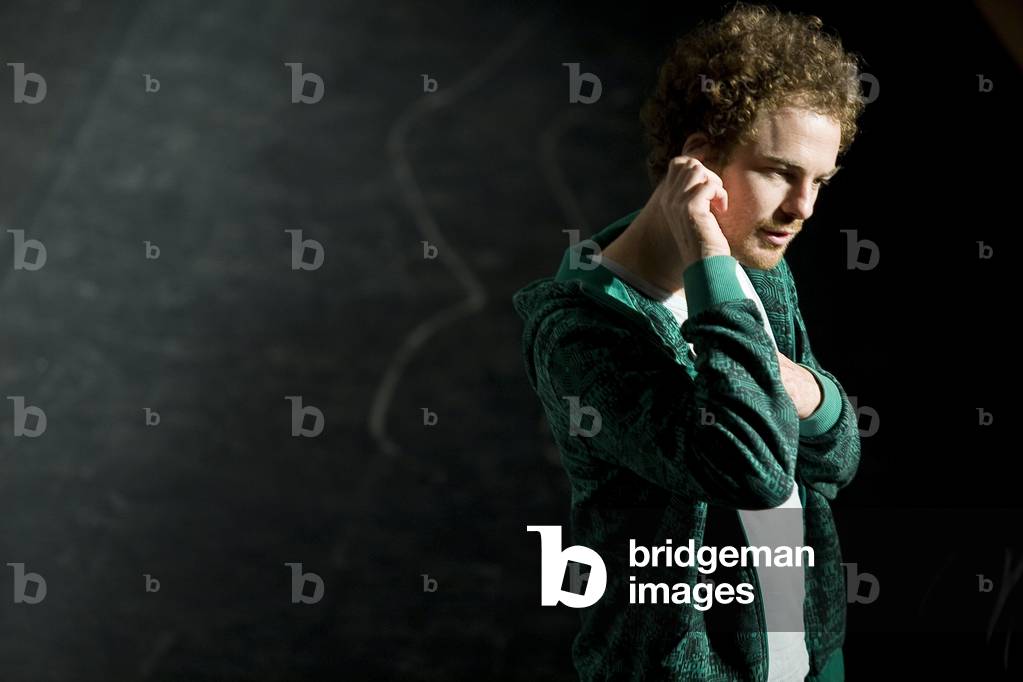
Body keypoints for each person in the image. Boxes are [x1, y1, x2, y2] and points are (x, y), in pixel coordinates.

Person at [512, 3, 863, 680]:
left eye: (818, 180)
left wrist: (790, 381)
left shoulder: (761, 271)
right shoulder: (580, 332)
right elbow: (753, 472)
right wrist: (707, 261)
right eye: (779, 172)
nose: (803, 208)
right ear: (697, 162)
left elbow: (836, 452)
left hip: (808, 659)